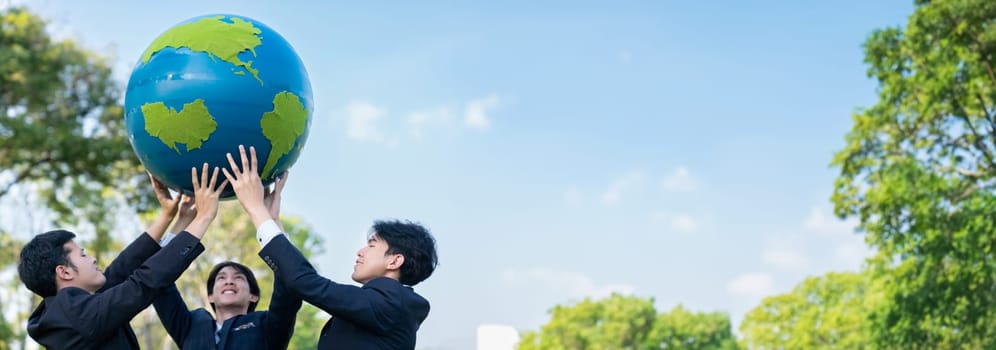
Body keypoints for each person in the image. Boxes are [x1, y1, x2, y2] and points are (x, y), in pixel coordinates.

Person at [222, 145, 439, 349]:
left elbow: (307, 283)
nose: (360, 251)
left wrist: (256, 210)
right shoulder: (383, 305)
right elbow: (300, 279)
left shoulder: (392, 302)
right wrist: (272, 221)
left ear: (395, 260)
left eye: (371, 245)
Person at [17, 165, 227, 349]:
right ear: (64, 271)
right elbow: (142, 284)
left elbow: (122, 270)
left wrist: (172, 218)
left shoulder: (71, 314)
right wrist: (204, 218)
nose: (92, 259)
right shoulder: (74, 316)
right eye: (82, 254)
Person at [152, 187, 301, 349]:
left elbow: (289, 288)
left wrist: (270, 220)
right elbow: (157, 280)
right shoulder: (189, 326)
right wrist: (182, 221)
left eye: (238, 277)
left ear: (253, 296)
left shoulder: (267, 326)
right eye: (221, 278)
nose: (229, 281)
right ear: (210, 296)